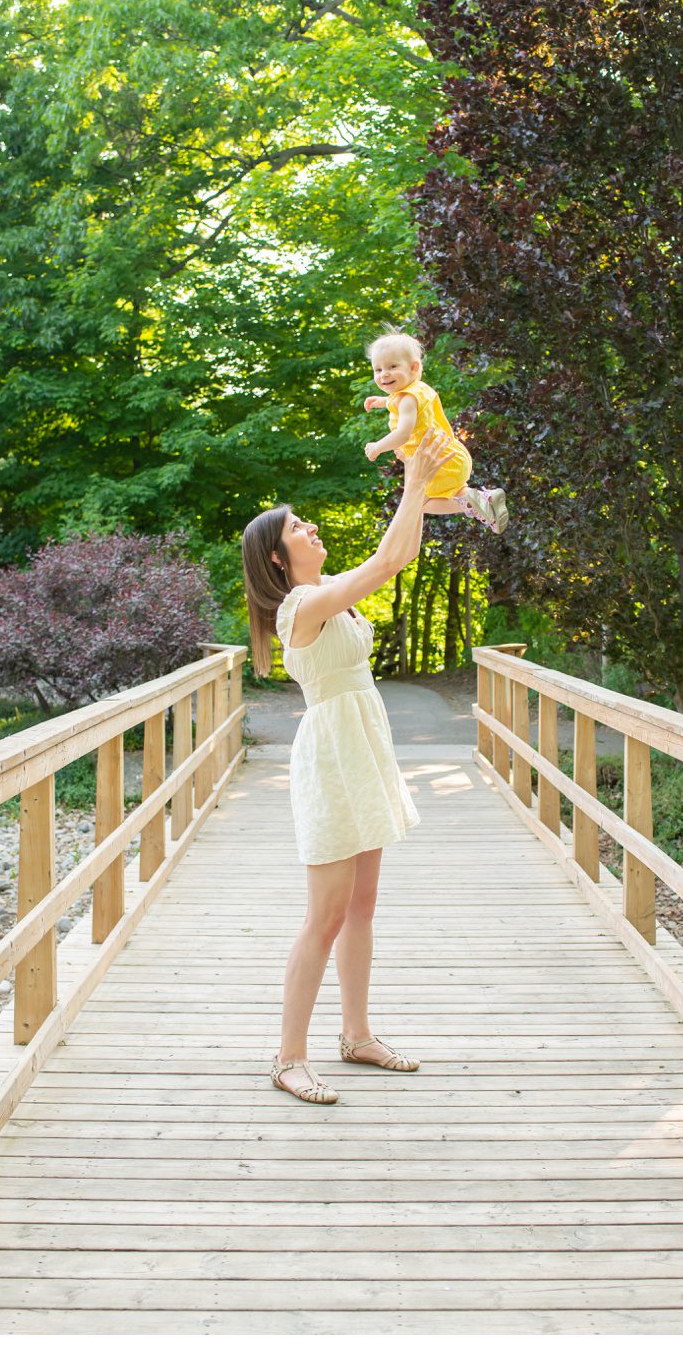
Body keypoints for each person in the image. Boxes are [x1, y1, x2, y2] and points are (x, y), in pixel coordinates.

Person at [239, 428, 454, 1103]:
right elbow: (387, 564)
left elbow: (404, 551)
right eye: (299, 527)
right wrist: (411, 480)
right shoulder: (300, 606)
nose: (313, 528)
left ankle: (356, 1034)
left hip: (362, 747)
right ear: (277, 556)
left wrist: (423, 481)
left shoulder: (330, 588)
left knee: (363, 905)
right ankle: (288, 1057)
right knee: (325, 915)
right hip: (331, 755)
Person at [362, 331, 507, 533]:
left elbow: (403, 433)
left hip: (436, 463)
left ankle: (476, 504)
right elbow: (406, 405)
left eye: (392, 367)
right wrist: (383, 401)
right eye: (377, 369)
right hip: (450, 457)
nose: (384, 374)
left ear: (413, 368)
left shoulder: (407, 400)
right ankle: (481, 500)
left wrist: (378, 447)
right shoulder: (419, 390)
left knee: (420, 503)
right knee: (455, 491)